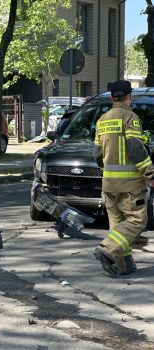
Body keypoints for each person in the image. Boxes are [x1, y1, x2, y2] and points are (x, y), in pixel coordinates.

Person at [93, 80, 154, 276]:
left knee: (118, 225)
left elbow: (96, 154)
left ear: (112, 97)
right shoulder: (130, 118)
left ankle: (123, 265)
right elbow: (135, 148)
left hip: (108, 184)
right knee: (137, 220)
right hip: (130, 184)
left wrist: (109, 171)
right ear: (130, 96)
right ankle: (108, 248)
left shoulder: (101, 121)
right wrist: (150, 173)